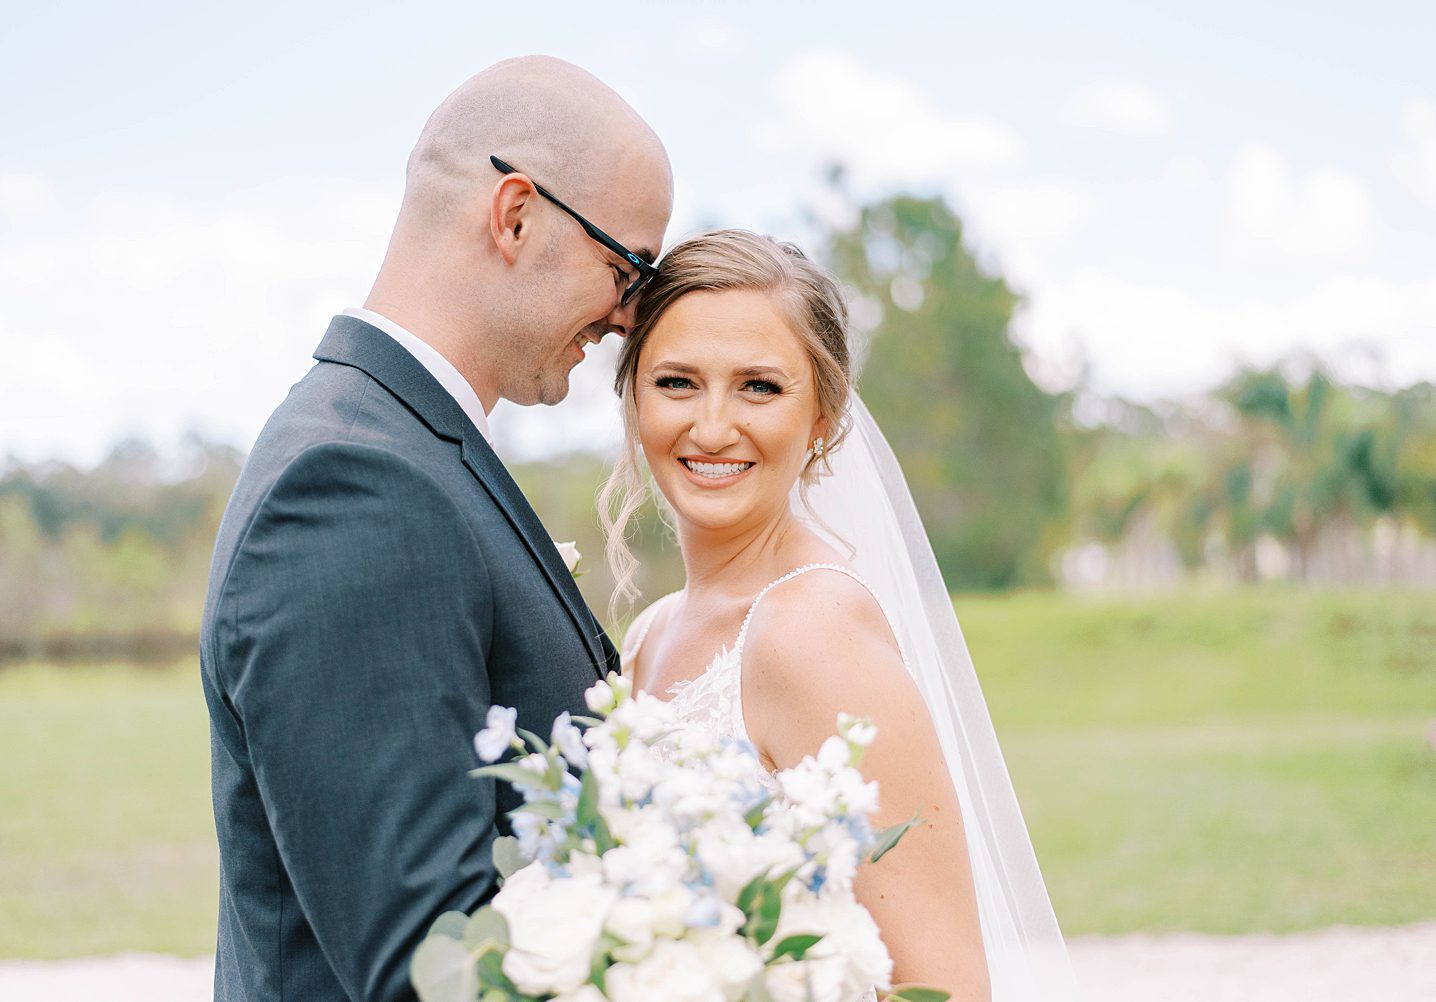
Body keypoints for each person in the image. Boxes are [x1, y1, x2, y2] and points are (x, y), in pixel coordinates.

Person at [199, 56, 672, 1002]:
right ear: (515, 214)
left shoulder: (403, 444)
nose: (628, 318)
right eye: (627, 268)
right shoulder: (355, 488)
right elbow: (431, 969)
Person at [605, 230, 1076, 1001]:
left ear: (822, 416)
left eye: (759, 386)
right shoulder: (649, 633)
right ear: (632, 399)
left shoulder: (809, 628)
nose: (714, 426)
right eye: (677, 382)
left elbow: (947, 987)